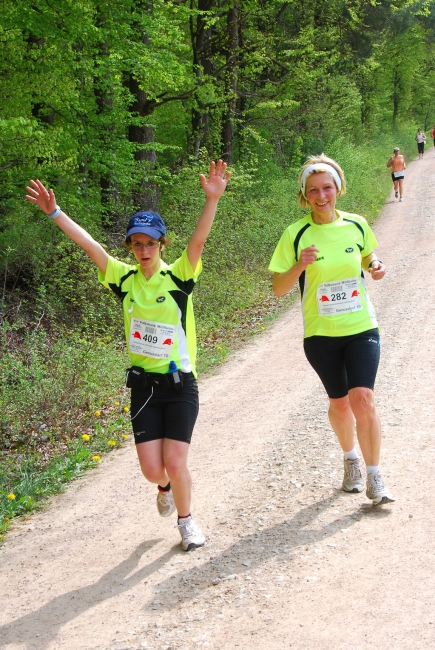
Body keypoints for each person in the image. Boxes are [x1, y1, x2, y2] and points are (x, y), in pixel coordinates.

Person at [25, 160, 231, 550]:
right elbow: (90, 246)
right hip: (143, 388)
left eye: (150, 243)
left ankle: (187, 523)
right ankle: (165, 488)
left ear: (162, 244)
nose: (143, 250)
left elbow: (199, 242)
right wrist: (54, 212)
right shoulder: (123, 278)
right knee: (153, 470)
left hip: (179, 384)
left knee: (175, 458)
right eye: (136, 243)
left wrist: (213, 200)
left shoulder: (179, 277)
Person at [269, 154, 395, 506]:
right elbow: (279, 288)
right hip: (321, 334)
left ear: (338, 188)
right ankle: (351, 459)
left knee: (363, 399)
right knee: (339, 405)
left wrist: (376, 265)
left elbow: (369, 256)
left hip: (361, 326)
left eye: (327, 187)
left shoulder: (356, 224)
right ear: (304, 195)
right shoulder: (295, 234)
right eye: (313, 190)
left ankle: (374, 475)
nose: (321, 196)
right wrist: (299, 264)